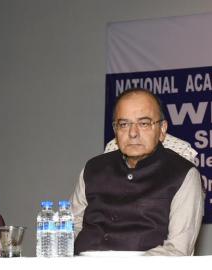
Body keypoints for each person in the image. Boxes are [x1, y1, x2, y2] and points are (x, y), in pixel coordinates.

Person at [71, 88, 204, 256]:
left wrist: (128, 268)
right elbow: (72, 226)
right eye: (124, 124)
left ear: (162, 130)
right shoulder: (93, 169)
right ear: (115, 130)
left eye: (144, 123)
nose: (133, 133)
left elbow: (178, 249)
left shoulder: (183, 174)